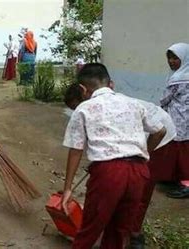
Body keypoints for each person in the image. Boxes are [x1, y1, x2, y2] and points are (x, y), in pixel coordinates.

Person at [60, 63, 166, 249]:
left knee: (90, 230)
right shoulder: (133, 103)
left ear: (83, 89)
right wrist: (145, 154)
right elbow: (160, 131)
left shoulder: (84, 109)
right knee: (119, 232)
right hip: (138, 172)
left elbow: (76, 149)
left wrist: (68, 188)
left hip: (108, 174)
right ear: (110, 83)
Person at [160, 43, 189, 199]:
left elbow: (166, 98)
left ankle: (186, 184)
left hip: (179, 120)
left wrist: (159, 106)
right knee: (178, 150)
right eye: (169, 58)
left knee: (182, 152)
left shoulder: (178, 78)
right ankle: (174, 178)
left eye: (175, 58)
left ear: (184, 59)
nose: (171, 61)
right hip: (184, 119)